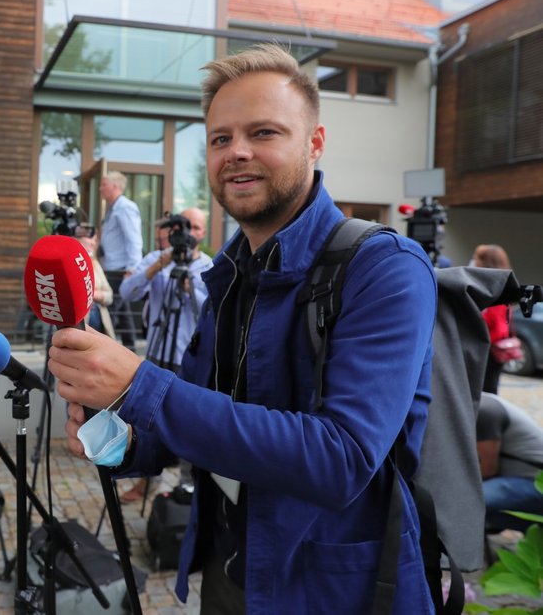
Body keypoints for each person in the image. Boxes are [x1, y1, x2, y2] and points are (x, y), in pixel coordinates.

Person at [50, 43, 438, 613]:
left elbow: (342, 458)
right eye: (220, 139)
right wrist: (117, 438)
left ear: (315, 143)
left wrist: (140, 384)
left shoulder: (386, 269)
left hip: (335, 588)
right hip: (230, 570)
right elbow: (191, 416)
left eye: (264, 133)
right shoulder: (229, 273)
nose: (237, 153)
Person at [116, 207, 212, 504]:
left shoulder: (209, 266)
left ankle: (188, 487)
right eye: (184, 226)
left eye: (195, 227)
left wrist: (188, 285)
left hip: (190, 357)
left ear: (203, 233)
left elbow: (211, 310)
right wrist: (159, 265)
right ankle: (146, 484)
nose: (189, 233)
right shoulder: (158, 259)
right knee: (148, 421)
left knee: (191, 422)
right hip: (158, 352)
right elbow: (127, 293)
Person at [477, 393, 543, 533]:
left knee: (467, 500)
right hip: (517, 479)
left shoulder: (484, 410)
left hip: (534, 483)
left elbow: (487, 471)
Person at [98, 171, 143, 349]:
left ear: (116, 186)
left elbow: (134, 239)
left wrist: (133, 268)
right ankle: (130, 348)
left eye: (104, 184)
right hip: (113, 268)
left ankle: (102, 350)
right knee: (123, 312)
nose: (100, 188)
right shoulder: (115, 208)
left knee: (111, 313)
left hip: (121, 270)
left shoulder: (125, 207)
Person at [472, 244, 515, 395]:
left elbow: (496, 325)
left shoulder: (492, 290)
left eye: (477, 259)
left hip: (489, 348)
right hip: (494, 347)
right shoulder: (504, 285)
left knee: (486, 390)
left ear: (486, 262)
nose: (474, 262)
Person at [76, 230, 115, 338]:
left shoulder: (96, 264)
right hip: (81, 323)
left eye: (95, 240)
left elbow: (109, 295)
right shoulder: (72, 263)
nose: (93, 243)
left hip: (101, 320)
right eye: (90, 238)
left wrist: (94, 294)